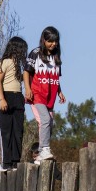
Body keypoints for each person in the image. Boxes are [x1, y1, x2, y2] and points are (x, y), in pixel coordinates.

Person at [24, 26, 66, 164]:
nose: (53, 44)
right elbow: (26, 72)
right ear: (44, 40)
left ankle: (43, 151)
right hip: (38, 93)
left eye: (55, 41)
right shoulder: (35, 53)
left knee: (50, 123)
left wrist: (60, 92)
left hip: (51, 95)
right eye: (50, 41)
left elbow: (55, 76)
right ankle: (43, 149)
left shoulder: (56, 57)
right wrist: (28, 89)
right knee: (45, 120)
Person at [0, 36, 29, 171]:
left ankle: (16, 161)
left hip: (18, 97)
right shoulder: (5, 62)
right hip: (7, 96)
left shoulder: (19, 65)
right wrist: (1, 99)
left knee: (18, 131)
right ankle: (7, 162)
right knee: (7, 131)